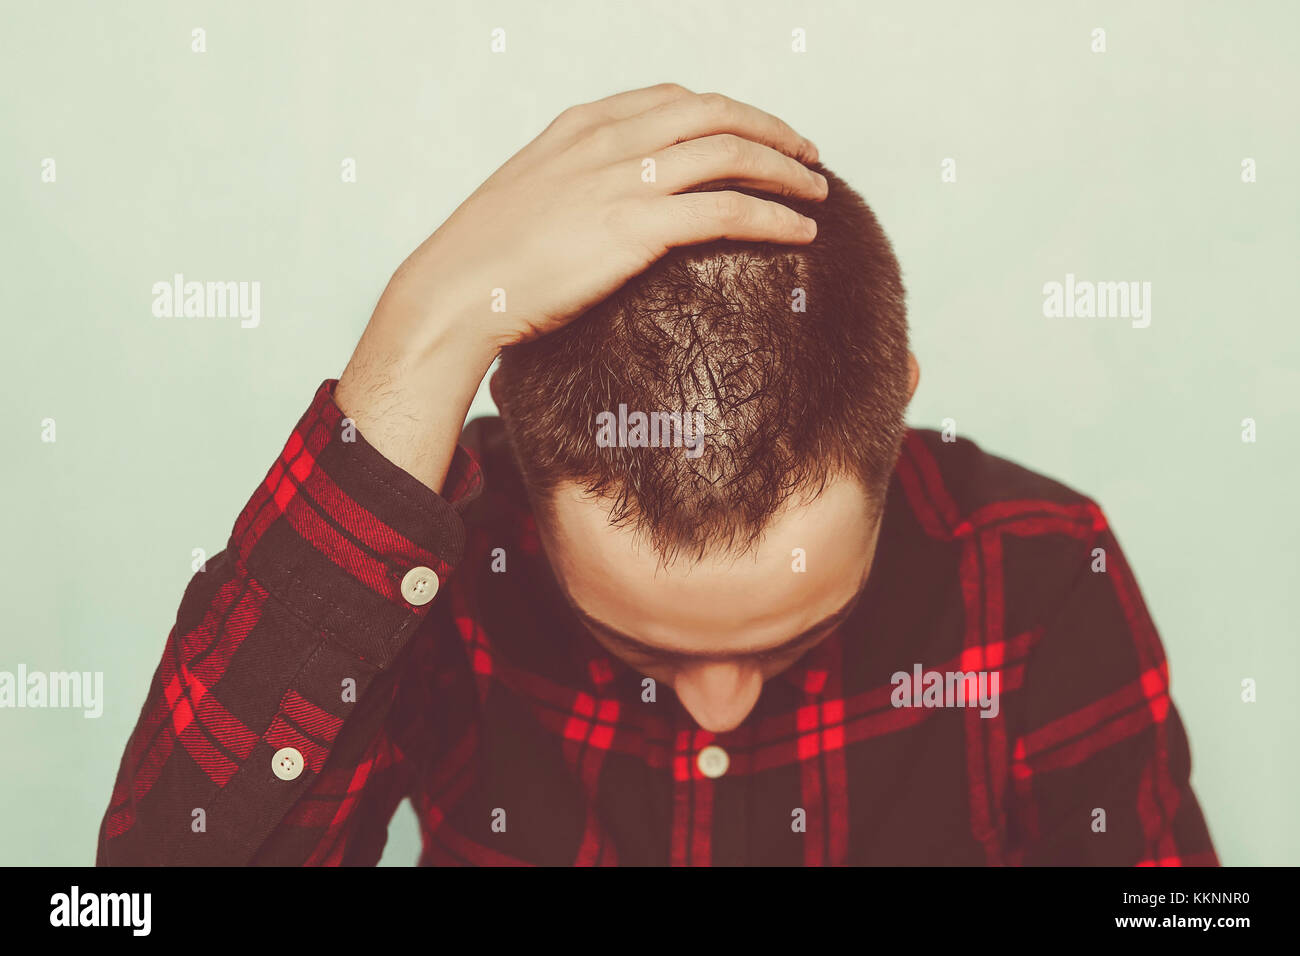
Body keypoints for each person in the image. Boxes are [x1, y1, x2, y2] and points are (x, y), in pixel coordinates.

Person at [97, 84, 1217, 866]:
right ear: (518, 465)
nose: (719, 703)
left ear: (897, 412)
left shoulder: (1038, 570)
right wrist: (419, 335)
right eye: (638, 645)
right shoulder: (449, 565)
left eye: (789, 636)